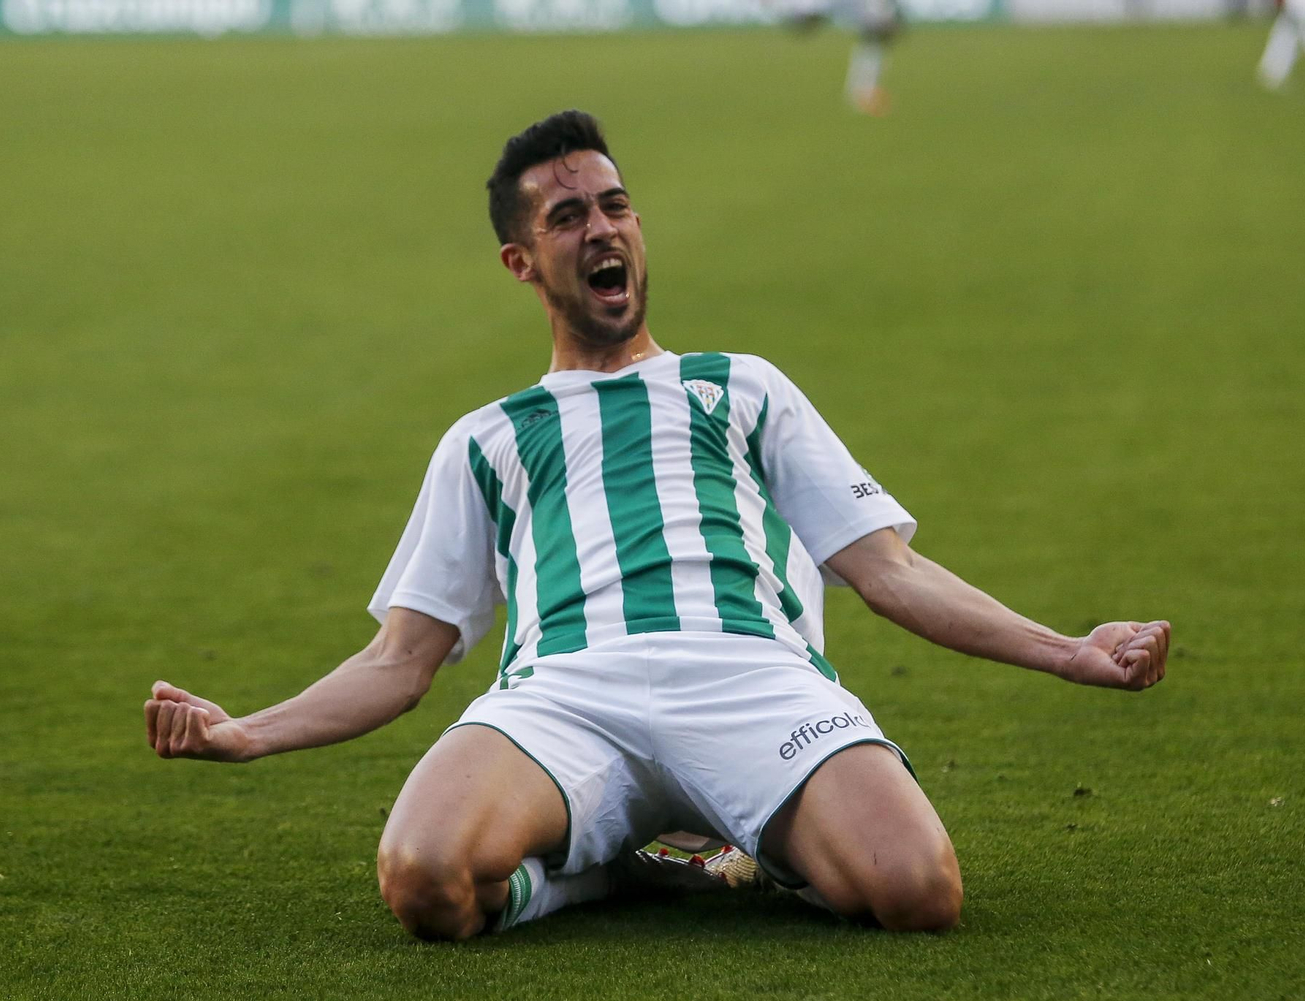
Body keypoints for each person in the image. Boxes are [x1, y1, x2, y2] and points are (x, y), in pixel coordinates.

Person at [143, 110, 1171, 941]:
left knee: (917, 890)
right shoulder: (486, 437)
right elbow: (402, 657)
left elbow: (889, 571)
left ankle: (749, 848)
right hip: (564, 702)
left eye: (615, 205)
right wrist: (246, 732)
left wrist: (1068, 651)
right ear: (520, 261)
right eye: (566, 216)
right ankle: (596, 877)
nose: (601, 228)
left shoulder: (742, 386)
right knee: (425, 879)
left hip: (753, 681)